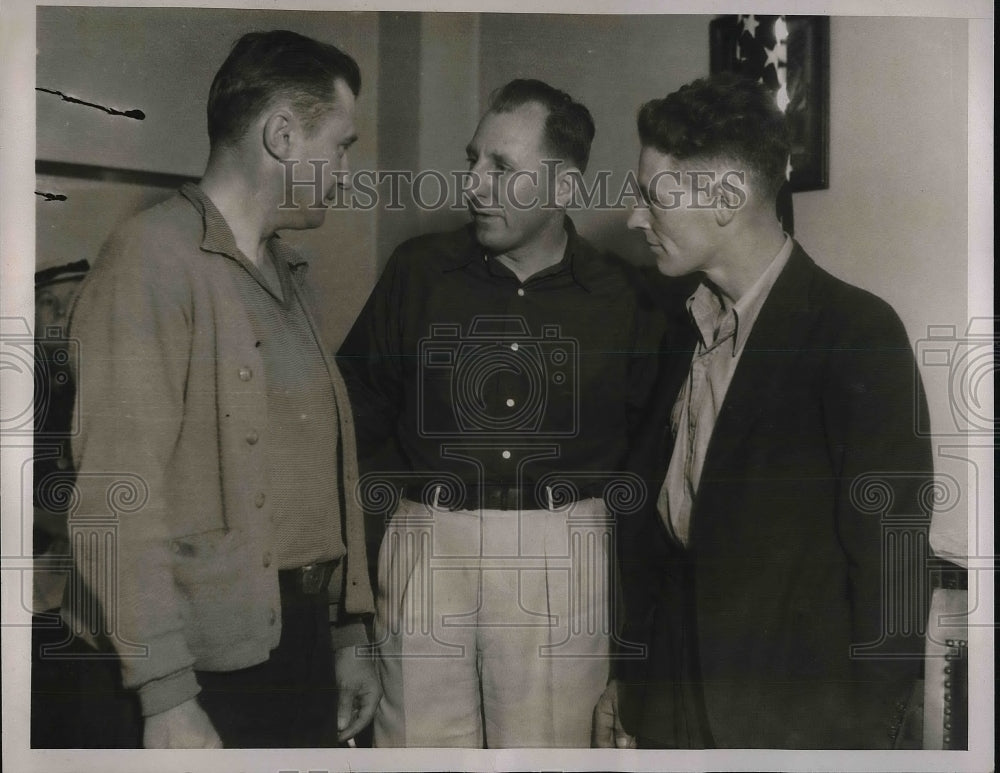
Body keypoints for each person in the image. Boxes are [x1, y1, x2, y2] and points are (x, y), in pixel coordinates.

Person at [592, 73, 934, 749]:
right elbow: (661, 537)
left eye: (652, 197)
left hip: (794, 723)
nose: (634, 219)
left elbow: (892, 566)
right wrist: (628, 682)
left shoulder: (855, 333)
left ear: (725, 199)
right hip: (670, 700)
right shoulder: (677, 325)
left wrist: (863, 738)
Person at [63, 30, 378, 748]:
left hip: (289, 642)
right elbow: (117, 493)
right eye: (340, 144)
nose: (345, 170)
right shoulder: (148, 261)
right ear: (282, 135)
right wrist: (166, 694)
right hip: (197, 669)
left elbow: (312, 476)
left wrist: (346, 630)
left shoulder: (287, 273)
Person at [338, 78, 661, 748]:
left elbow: (647, 465)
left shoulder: (622, 297)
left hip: (561, 556)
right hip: (427, 547)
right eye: (473, 161)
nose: (474, 185)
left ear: (565, 187)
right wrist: (351, 603)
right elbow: (355, 429)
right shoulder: (417, 272)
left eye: (502, 168)